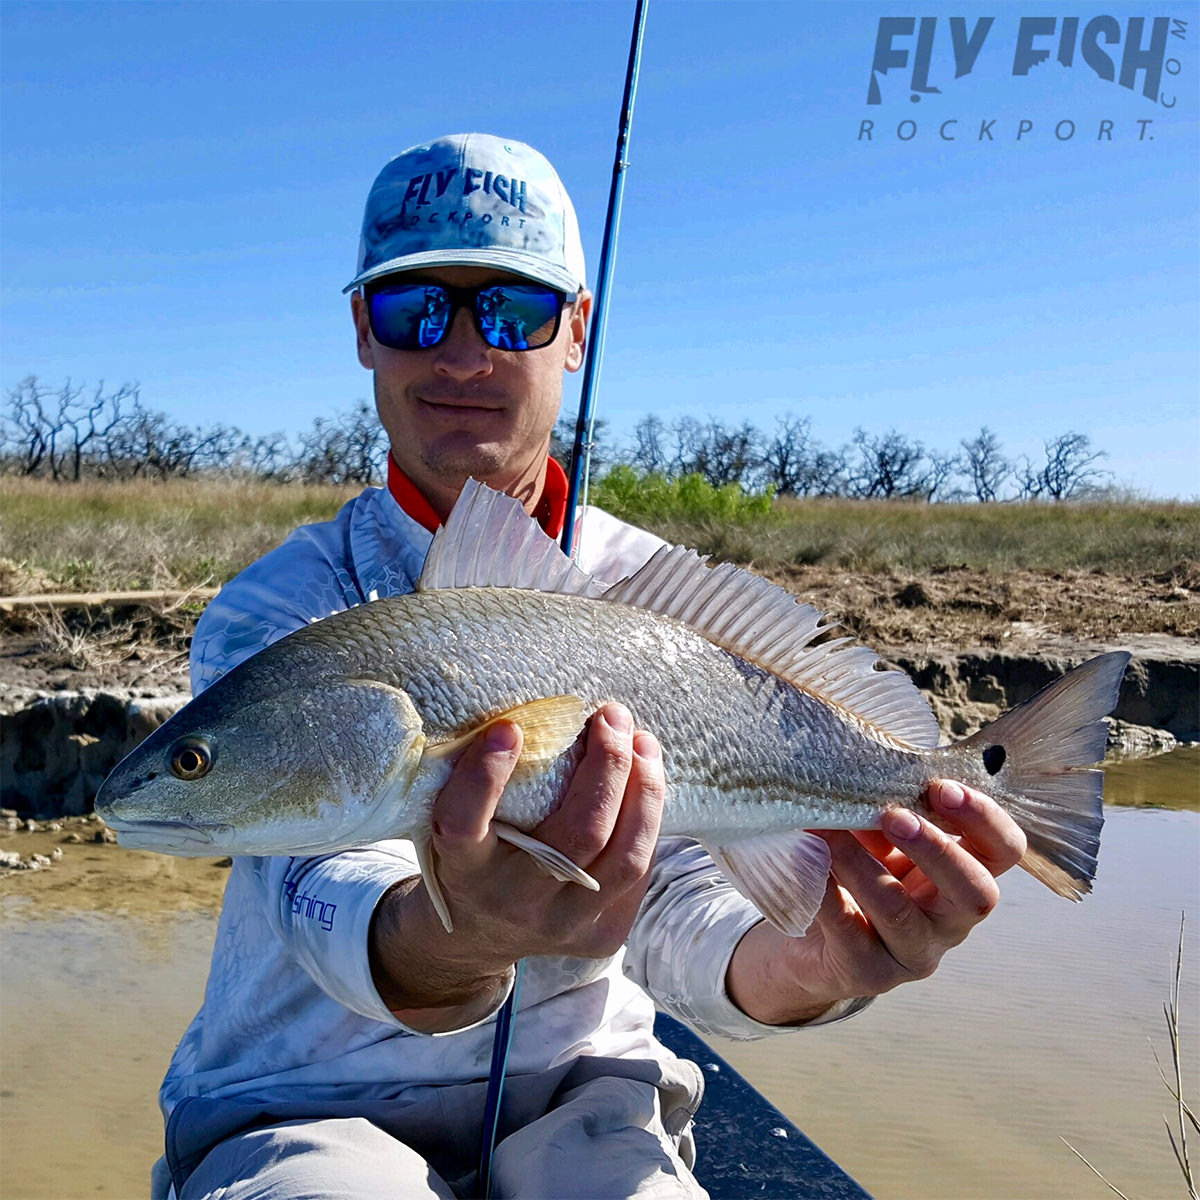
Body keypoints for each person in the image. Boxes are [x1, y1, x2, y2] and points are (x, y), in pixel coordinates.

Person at [152, 133, 1027, 1200]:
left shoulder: (656, 593)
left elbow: (682, 905)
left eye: (513, 312)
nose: (463, 355)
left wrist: (818, 967)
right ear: (361, 334)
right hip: (300, 1107)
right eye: (412, 310)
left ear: (575, 331)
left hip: (585, 1095)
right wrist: (453, 942)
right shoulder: (277, 610)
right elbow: (316, 882)